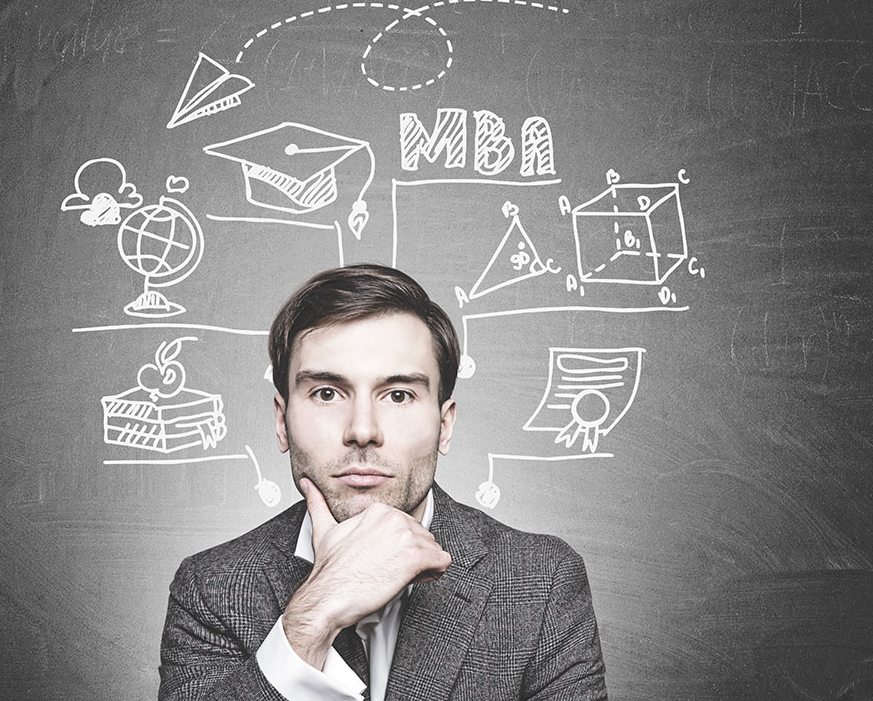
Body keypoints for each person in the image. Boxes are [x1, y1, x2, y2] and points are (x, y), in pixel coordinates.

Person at [159, 264, 608, 700]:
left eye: (398, 395)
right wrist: (314, 614)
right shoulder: (210, 588)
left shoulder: (542, 580)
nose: (362, 429)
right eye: (327, 392)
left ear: (444, 425)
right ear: (282, 422)